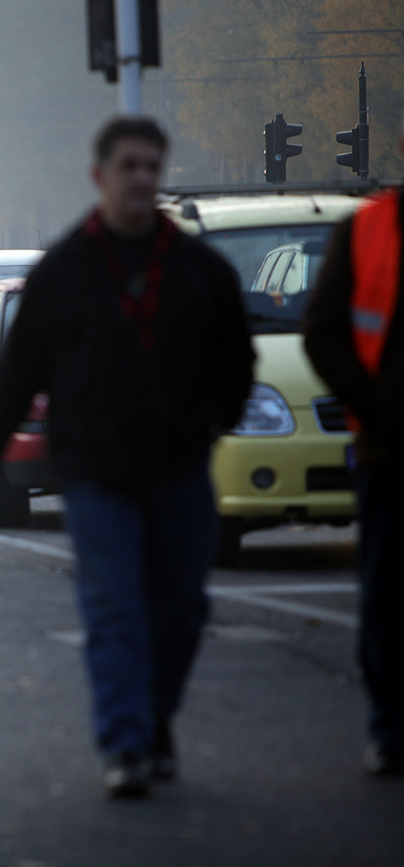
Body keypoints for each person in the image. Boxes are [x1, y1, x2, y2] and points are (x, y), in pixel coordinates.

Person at [0, 116, 255, 798]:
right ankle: (124, 743)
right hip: (94, 474)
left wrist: (215, 419)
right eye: (130, 165)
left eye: (153, 165)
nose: (143, 178)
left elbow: (235, 360)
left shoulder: (198, 269)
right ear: (100, 176)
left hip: (179, 469)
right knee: (115, 606)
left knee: (180, 609)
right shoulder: (64, 273)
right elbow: (18, 373)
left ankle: (154, 722)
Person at [303, 116, 404, 778]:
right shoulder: (365, 230)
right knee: (388, 595)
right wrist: (371, 406)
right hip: (387, 453)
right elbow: (325, 331)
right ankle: (390, 726)